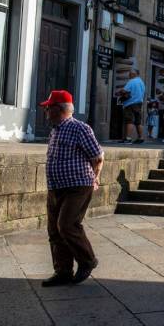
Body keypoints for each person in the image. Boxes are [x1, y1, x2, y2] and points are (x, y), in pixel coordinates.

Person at [39, 90, 103, 287]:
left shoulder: (80, 128)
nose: (46, 111)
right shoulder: (55, 130)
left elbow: (97, 156)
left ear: (59, 109)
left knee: (67, 225)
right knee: (54, 231)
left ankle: (87, 261)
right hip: (56, 187)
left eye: (48, 108)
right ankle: (63, 271)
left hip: (78, 185)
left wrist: (96, 178)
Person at [118, 69, 145, 144]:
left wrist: (120, 92)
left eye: (130, 74)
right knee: (138, 121)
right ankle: (141, 137)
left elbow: (124, 90)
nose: (129, 75)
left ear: (134, 74)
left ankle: (128, 138)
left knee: (129, 120)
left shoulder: (131, 81)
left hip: (130, 103)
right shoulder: (141, 82)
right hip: (139, 103)